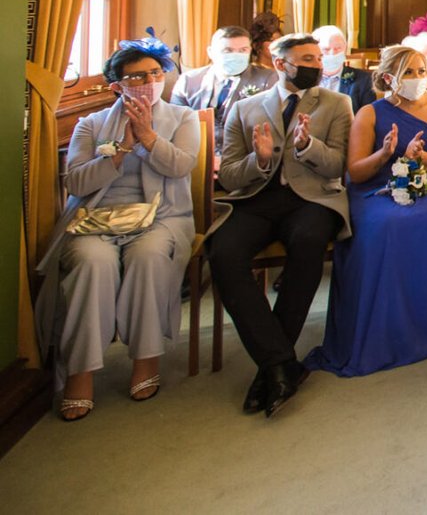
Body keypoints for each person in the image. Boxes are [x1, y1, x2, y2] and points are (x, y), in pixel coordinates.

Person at [36, 37, 198, 421]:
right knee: (92, 262)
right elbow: (75, 183)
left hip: (162, 216)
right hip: (98, 217)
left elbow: (180, 166)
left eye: (155, 73)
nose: (149, 80)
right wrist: (121, 147)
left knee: (149, 255)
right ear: (117, 86)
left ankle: (145, 359)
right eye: (137, 76)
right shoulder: (89, 125)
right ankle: (81, 371)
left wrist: (147, 136)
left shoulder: (182, 118)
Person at [208, 34, 351, 417]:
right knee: (222, 251)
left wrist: (307, 147)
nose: (316, 65)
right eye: (305, 58)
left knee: (308, 242)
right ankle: (279, 362)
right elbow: (233, 177)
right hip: (256, 200)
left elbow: (340, 166)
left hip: (312, 199)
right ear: (280, 64)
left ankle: (272, 365)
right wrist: (260, 158)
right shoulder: (245, 108)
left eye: (318, 58)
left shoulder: (337, 104)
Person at [306, 43, 427, 375]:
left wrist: (417, 156)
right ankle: (383, 326)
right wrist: (384, 154)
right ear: (388, 77)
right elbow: (356, 170)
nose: (416, 78)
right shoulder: (369, 113)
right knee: (384, 226)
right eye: (407, 72)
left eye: (421, 71)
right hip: (374, 189)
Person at [170, 25, 277, 127]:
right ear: (211, 52)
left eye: (243, 50)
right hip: (196, 143)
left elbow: (273, 120)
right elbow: (176, 119)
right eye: (228, 50)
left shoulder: (268, 79)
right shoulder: (189, 80)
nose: (236, 55)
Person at [312, 24, 376, 115]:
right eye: (326, 49)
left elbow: (368, 117)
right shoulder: (306, 78)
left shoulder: (363, 80)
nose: (332, 53)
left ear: (345, 49)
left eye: (338, 49)